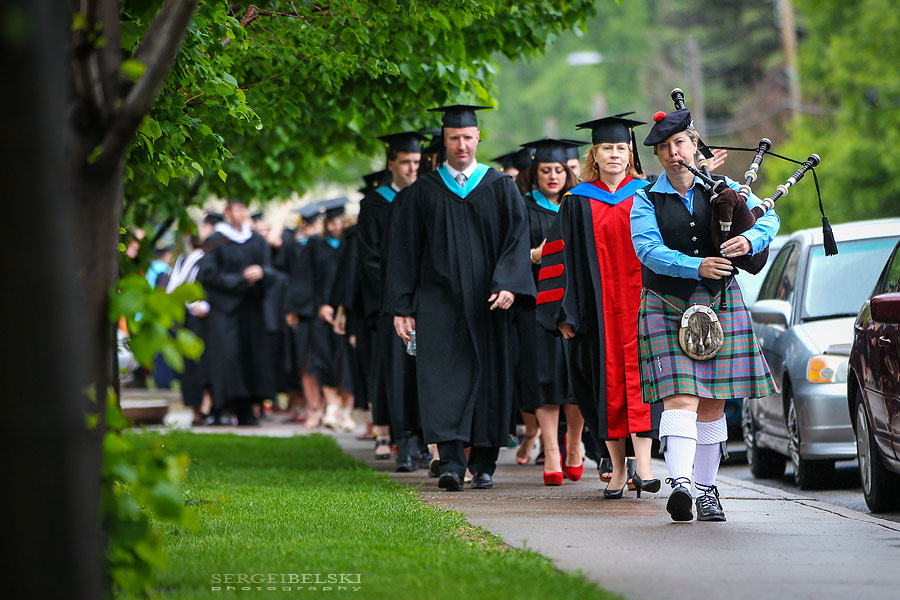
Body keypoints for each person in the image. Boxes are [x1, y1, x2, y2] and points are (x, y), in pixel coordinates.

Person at [631, 107, 779, 521]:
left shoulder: (725, 187)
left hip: (720, 301)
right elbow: (648, 251)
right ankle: (680, 484)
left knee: (713, 402)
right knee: (681, 397)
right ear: (659, 156)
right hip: (667, 303)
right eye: (664, 147)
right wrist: (694, 265)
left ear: (695, 145)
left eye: (680, 143)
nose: (673, 152)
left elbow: (770, 220)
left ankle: (707, 491)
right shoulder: (645, 199)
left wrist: (749, 240)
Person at [390, 104, 536, 492]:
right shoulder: (424, 192)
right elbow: (405, 252)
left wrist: (508, 284)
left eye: (468, 137)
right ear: (444, 140)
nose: (461, 145)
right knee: (441, 382)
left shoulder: (499, 186)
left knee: (490, 379)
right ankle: (451, 462)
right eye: (454, 138)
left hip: (489, 302)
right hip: (438, 303)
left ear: (477, 139)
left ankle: (484, 463)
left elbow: (516, 240)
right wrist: (403, 306)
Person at [536, 114, 662, 499]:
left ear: (630, 154)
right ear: (595, 153)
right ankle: (619, 471)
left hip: (643, 311)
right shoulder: (576, 202)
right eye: (607, 148)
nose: (613, 154)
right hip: (595, 315)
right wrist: (562, 314)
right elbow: (559, 260)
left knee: (642, 387)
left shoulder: (647, 193)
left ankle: (645, 467)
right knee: (603, 391)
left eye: (620, 148)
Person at [516, 138, 586, 486]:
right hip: (537, 307)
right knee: (544, 378)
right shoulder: (522, 206)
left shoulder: (579, 204)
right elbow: (511, 252)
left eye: (559, 170)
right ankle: (552, 450)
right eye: (546, 170)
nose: (553, 176)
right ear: (535, 173)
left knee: (575, 380)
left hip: (573, 305)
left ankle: (574, 445)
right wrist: (533, 255)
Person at [360, 132, 430, 471]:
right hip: (393, 304)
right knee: (398, 374)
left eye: (418, 162)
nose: (413, 168)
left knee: (425, 375)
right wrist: (395, 297)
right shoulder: (375, 203)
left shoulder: (428, 198)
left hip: (428, 303)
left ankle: (421, 441)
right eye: (406, 162)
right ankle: (403, 442)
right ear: (392, 165)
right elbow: (370, 258)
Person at [198, 199, 279, 425]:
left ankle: (247, 410)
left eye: (245, 209)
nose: (243, 213)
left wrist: (261, 272)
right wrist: (239, 279)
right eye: (238, 209)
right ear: (227, 212)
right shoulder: (216, 241)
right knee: (227, 358)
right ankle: (222, 408)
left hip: (251, 309)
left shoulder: (255, 241)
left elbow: (272, 271)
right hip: (224, 311)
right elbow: (208, 275)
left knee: (251, 357)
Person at [168, 212, 220, 425]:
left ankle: (206, 407)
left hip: (203, 319)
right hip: (182, 318)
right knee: (187, 368)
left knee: (202, 366)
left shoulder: (212, 257)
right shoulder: (184, 258)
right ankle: (195, 410)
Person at [278, 203, 325, 427]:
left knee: (325, 362)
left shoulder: (328, 247)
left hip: (325, 311)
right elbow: (295, 280)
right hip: (306, 313)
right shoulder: (299, 248)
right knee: (306, 362)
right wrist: (291, 308)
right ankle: (313, 406)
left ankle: (326, 407)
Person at [311, 197, 355, 430]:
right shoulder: (315, 246)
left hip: (347, 310)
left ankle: (346, 410)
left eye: (337, 221)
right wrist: (321, 306)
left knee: (348, 360)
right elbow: (308, 280)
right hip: (322, 312)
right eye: (329, 222)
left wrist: (343, 306)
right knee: (324, 358)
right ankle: (331, 407)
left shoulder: (352, 243)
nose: (333, 227)